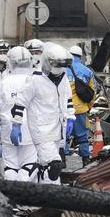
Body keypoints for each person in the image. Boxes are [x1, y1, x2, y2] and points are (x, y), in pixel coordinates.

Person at [10, 43, 73, 184]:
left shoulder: (63, 78)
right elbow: (20, 102)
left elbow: (67, 99)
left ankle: (45, 199)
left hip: (58, 130)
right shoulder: (35, 79)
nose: (60, 69)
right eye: (57, 65)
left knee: (49, 169)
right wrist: (16, 124)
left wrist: (70, 118)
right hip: (41, 131)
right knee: (54, 165)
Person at [0, 46, 38, 181]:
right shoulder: (35, 80)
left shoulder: (4, 82)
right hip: (31, 131)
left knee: (10, 166)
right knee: (30, 164)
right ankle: (21, 189)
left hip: (7, 129)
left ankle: (11, 194)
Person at [66, 44, 95, 161]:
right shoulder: (88, 72)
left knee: (64, 136)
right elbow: (92, 93)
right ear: (80, 56)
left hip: (65, 110)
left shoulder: (62, 70)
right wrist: (87, 107)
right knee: (82, 136)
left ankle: (64, 160)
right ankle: (85, 159)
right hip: (80, 109)